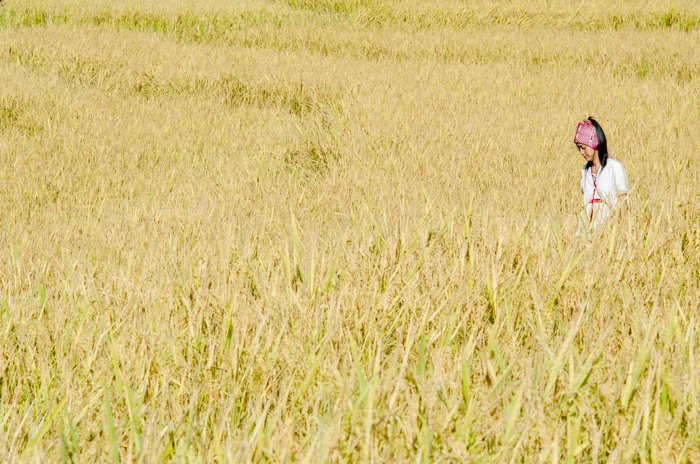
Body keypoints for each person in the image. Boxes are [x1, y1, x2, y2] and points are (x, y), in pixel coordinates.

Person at [574, 118, 628, 230]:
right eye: (579, 148)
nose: (581, 153)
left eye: (583, 148)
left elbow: (623, 203)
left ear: (594, 143)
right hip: (585, 230)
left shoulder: (614, 167)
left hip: (608, 229)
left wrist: (619, 229)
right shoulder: (585, 170)